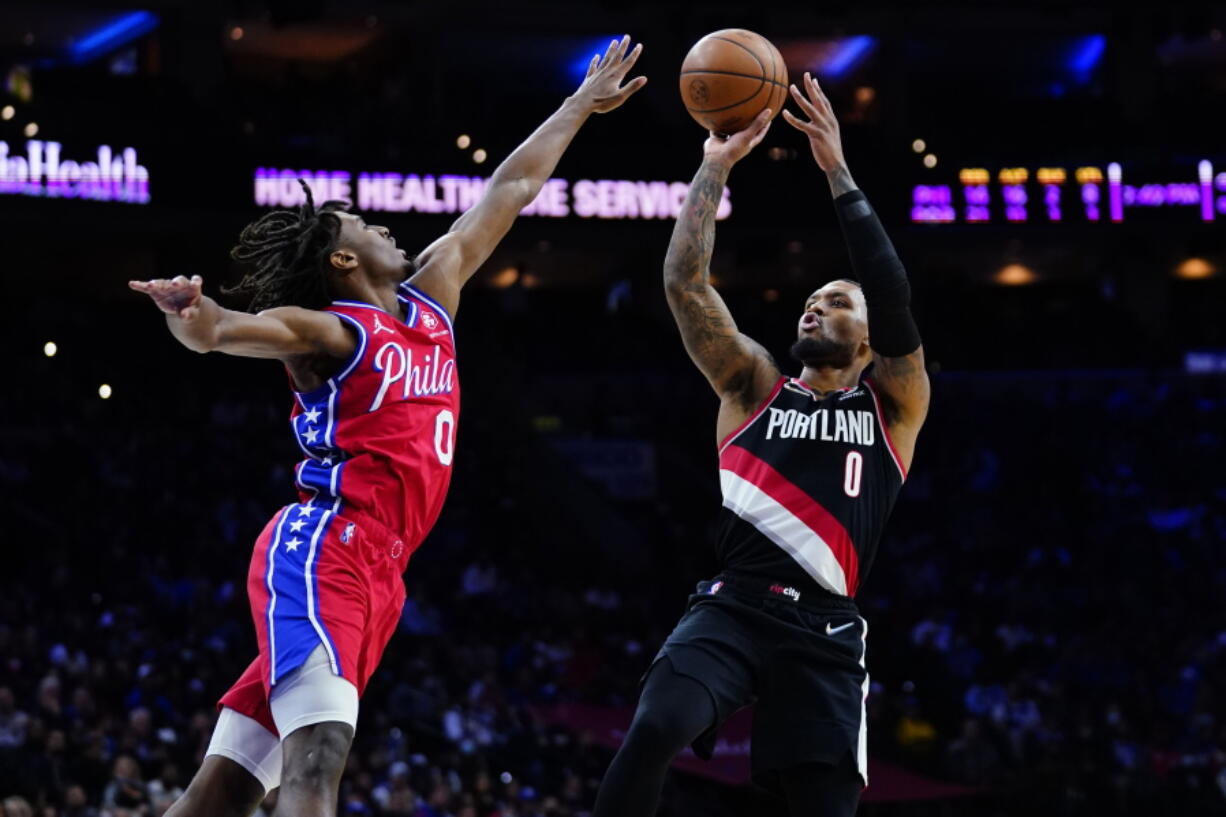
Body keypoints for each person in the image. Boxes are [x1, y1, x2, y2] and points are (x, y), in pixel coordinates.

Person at [128, 36, 647, 817]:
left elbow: (507, 191)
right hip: (325, 545)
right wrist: (190, 312)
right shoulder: (330, 331)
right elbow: (226, 332)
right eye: (366, 224)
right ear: (342, 260)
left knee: (225, 788)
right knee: (319, 757)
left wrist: (577, 105)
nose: (387, 229)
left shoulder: (434, 295)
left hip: (383, 572)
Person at [592, 73, 930, 817]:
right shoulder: (753, 386)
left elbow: (894, 291)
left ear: (870, 339)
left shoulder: (895, 403)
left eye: (837, 301)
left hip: (827, 629)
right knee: (653, 727)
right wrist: (715, 164)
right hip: (733, 609)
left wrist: (836, 169)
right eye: (813, 298)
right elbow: (684, 284)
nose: (816, 304)